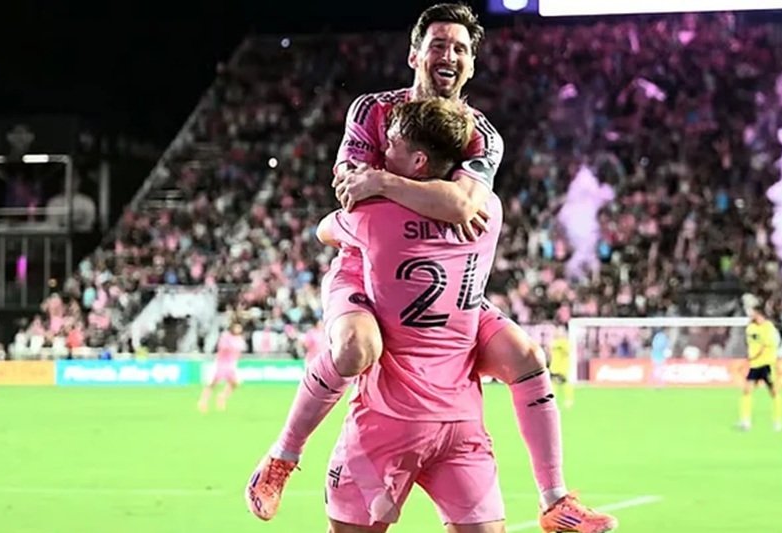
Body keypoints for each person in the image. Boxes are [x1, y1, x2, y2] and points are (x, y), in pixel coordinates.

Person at [251, 5, 616, 531]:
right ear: (414, 54)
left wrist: (385, 183)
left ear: (471, 65)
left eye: (461, 48)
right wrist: (430, 200)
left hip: (441, 276)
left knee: (526, 356)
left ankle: (555, 499)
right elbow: (353, 193)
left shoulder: (482, 133)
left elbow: (461, 205)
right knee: (356, 348)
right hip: (364, 265)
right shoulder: (372, 110)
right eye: (439, 44)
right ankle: (283, 456)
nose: (449, 55)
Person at [739, 306, 782, 431]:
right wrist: (750, 359)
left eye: (754, 314)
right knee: (747, 390)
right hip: (754, 365)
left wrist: (751, 358)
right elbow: (750, 344)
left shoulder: (769, 327)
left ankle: (777, 420)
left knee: (774, 392)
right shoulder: (750, 328)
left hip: (767, 364)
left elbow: (764, 345)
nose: (752, 316)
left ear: (760, 314)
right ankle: (746, 421)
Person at [197, 323, 246, 413]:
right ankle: (203, 402)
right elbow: (222, 348)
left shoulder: (239, 339)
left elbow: (239, 351)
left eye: (240, 327)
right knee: (212, 384)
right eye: (237, 327)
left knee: (235, 383)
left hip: (231, 364)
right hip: (220, 364)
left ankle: (222, 396)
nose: (238, 329)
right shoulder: (225, 336)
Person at [549, 326, 574, 408]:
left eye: (561, 331)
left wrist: (561, 347)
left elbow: (567, 352)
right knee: (553, 383)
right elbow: (551, 353)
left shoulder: (565, 343)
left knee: (565, 383)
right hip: (554, 366)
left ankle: (569, 400)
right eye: (558, 331)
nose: (559, 333)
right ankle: (553, 399)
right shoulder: (554, 342)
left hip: (563, 367)